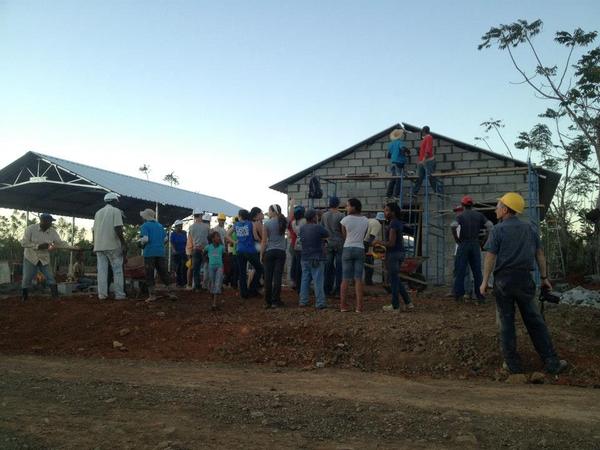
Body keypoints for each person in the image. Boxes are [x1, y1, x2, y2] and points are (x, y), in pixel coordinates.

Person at [480, 192, 567, 375]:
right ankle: (552, 363)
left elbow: (490, 257)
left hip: (504, 281)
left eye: (498, 206)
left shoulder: (498, 230)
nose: (495, 209)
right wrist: (544, 278)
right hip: (524, 280)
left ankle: (513, 365)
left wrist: (485, 281)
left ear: (505, 209)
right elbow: (539, 254)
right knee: (535, 321)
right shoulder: (529, 229)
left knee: (507, 323)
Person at [20, 213, 72, 300]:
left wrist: (71, 247)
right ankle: (24, 297)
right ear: (42, 221)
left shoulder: (52, 232)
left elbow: (59, 243)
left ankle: (55, 297)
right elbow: (24, 243)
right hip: (30, 257)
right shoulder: (31, 229)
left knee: (50, 277)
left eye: (51, 222)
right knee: (27, 278)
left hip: (44, 258)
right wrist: (38, 246)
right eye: (49, 222)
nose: (50, 224)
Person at [453, 195, 493, 304]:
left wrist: (457, 239)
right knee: (477, 272)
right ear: (472, 205)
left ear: (462, 205)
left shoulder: (461, 216)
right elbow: (490, 226)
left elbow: (453, 226)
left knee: (460, 271)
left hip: (463, 244)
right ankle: (480, 296)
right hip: (475, 244)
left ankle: (458, 296)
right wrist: (484, 240)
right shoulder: (479, 215)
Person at [375, 203, 413, 311]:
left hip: (393, 254)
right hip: (400, 253)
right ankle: (408, 302)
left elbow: (391, 243)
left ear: (393, 212)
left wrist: (378, 242)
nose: (385, 212)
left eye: (387, 210)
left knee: (393, 280)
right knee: (395, 279)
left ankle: (395, 306)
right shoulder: (398, 223)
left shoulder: (393, 224)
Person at [93, 192, 127, 300]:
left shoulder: (98, 212)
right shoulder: (116, 211)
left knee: (102, 271)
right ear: (114, 201)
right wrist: (123, 243)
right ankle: (119, 295)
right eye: (117, 201)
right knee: (117, 270)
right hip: (112, 245)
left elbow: (94, 230)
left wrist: (94, 243)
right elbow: (118, 228)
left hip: (99, 246)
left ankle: (102, 295)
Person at [139, 209, 176, 302]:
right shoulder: (160, 226)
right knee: (163, 273)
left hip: (149, 253)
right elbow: (166, 239)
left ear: (145, 217)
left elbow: (145, 239)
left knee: (150, 273)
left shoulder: (144, 226)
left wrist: (140, 243)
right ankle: (171, 292)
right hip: (160, 252)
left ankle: (152, 295)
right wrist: (159, 244)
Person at [340, 198, 369, 313]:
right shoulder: (365, 220)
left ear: (354, 207)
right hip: (360, 248)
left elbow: (344, 235)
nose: (346, 208)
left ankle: (343, 306)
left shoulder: (345, 220)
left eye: (348, 206)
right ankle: (359, 307)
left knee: (345, 278)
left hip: (347, 248)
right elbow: (364, 234)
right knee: (358, 278)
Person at [298, 208, 329, 309]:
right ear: (314, 217)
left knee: (305, 280)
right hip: (317, 257)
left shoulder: (302, 228)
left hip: (305, 257)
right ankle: (320, 303)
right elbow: (327, 234)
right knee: (318, 280)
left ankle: (303, 301)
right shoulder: (318, 227)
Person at [229, 209, 263, 298]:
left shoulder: (236, 224)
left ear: (240, 216)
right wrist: (262, 242)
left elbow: (227, 234)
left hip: (239, 250)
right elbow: (255, 236)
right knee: (259, 269)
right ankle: (252, 288)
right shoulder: (251, 223)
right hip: (250, 250)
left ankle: (244, 294)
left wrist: (234, 242)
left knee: (242, 272)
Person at [261, 204, 288, 308]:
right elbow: (291, 216)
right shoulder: (284, 221)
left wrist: (261, 254)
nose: (268, 212)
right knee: (277, 277)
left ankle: (267, 301)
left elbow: (264, 241)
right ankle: (275, 301)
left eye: (269, 211)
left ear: (273, 211)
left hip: (270, 251)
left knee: (268, 277)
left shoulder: (267, 223)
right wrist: (291, 204)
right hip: (281, 252)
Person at [321, 196, 344, 297]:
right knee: (339, 267)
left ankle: (326, 290)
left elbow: (322, 229)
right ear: (338, 204)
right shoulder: (341, 215)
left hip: (328, 243)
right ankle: (338, 291)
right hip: (339, 242)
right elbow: (343, 230)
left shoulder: (324, 215)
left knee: (328, 267)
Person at [449, 205, 473, 298]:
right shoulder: (457, 224)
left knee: (466, 272)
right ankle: (455, 291)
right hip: (457, 252)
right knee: (456, 272)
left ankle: (467, 292)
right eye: (456, 211)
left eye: (459, 211)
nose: (457, 213)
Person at [412, 126, 442, 195]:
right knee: (419, 178)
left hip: (428, 161)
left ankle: (438, 192)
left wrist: (423, 159)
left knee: (431, 177)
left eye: (422, 132)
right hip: (423, 162)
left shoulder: (429, 137)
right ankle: (414, 193)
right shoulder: (424, 139)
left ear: (423, 131)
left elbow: (428, 150)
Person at [187, 210, 210, 291]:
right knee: (207, 268)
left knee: (196, 269)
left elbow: (190, 240)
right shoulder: (206, 226)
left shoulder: (191, 227)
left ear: (194, 216)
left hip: (196, 250)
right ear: (200, 215)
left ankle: (197, 287)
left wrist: (189, 252)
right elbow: (209, 238)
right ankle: (206, 285)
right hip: (206, 250)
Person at [386, 128, 410, 199]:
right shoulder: (400, 142)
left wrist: (394, 154)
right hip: (399, 162)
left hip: (393, 163)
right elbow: (402, 148)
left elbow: (388, 155)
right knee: (399, 178)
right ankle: (396, 195)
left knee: (393, 179)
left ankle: (388, 195)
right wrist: (407, 151)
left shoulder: (391, 144)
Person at [205, 231, 225, 310]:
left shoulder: (222, 247)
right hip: (211, 267)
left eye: (219, 236)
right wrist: (207, 261)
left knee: (217, 283)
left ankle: (214, 304)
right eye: (217, 236)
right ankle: (213, 300)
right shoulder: (208, 247)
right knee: (212, 283)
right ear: (213, 239)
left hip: (219, 267)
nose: (219, 238)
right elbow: (204, 254)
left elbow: (224, 255)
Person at [289, 202, 306, 292]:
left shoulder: (292, 222)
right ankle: (300, 284)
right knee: (300, 266)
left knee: (295, 264)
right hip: (303, 245)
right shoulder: (305, 221)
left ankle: (294, 282)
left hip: (294, 244)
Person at [364, 213, 383, 286]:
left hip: (359, 241)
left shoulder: (370, 220)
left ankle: (354, 281)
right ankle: (368, 282)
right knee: (369, 262)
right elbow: (371, 236)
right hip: (365, 242)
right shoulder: (378, 224)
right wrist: (372, 244)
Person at [170, 220, 187, 288]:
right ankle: (178, 282)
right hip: (176, 253)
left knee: (184, 268)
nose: (181, 227)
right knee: (178, 268)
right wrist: (174, 250)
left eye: (181, 226)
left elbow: (186, 242)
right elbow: (172, 243)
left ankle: (184, 283)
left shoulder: (184, 233)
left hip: (184, 253)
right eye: (179, 226)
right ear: (176, 226)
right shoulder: (173, 234)